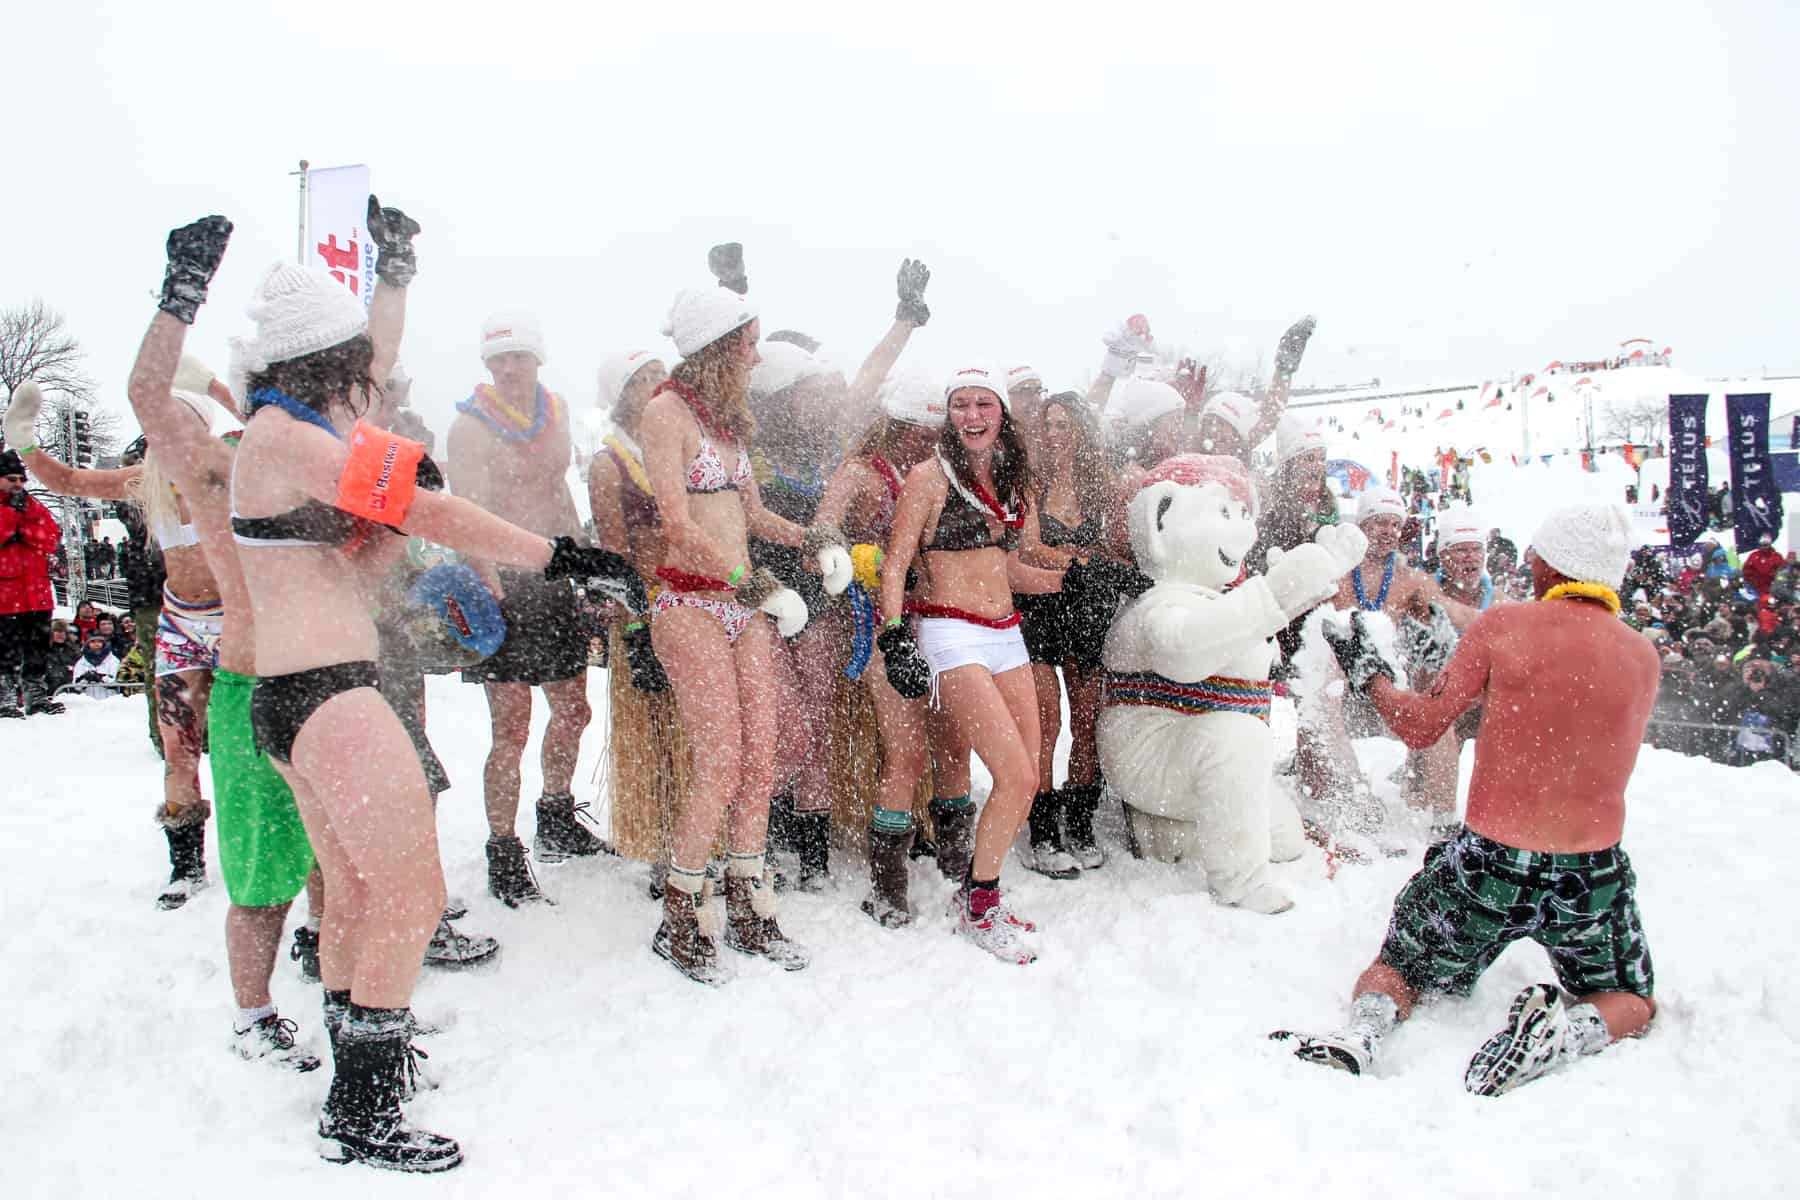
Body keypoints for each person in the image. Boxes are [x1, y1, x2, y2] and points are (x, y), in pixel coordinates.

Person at [158, 213, 638, 1170]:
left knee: (362, 893)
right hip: (326, 691)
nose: (371, 376)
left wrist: (396, 273)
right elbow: (420, 507)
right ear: (327, 363)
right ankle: (365, 1111)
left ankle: (359, 1072)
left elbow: (384, 369)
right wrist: (563, 555)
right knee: (411, 896)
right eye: (356, 364)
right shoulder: (286, 439)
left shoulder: (300, 427)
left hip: (298, 693)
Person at [1279, 501, 1658, 1097]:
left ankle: (1365, 1034)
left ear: (1553, 567)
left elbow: (1421, 727)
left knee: (1400, 967)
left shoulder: (1505, 626)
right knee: (1630, 998)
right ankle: (1572, 1032)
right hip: (1591, 872)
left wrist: (1367, 670)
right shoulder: (1642, 656)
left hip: (1493, 861)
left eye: (1535, 554)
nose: (1526, 561)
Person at [640, 285, 823, 983]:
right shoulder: (667, 414)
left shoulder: (730, 424)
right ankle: (682, 912)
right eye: (748, 343)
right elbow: (678, 526)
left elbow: (753, 515)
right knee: (720, 759)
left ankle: (749, 903)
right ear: (717, 346)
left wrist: (815, 541)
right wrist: (753, 583)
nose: (755, 356)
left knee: (761, 755)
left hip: (741, 606)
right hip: (689, 604)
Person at [877, 363, 1067, 963]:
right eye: (961, 404)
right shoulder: (928, 477)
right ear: (947, 413)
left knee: (1030, 777)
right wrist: (891, 637)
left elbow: (1012, 565)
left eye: (983, 404)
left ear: (1001, 413)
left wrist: (1072, 576)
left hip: (1006, 632)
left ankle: (979, 891)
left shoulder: (1016, 480)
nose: (972, 416)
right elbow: (894, 562)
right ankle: (979, 903)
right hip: (949, 632)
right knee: (1011, 774)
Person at [446, 310, 602, 906]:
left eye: (520, 357)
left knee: (574, 711)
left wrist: (582, 562)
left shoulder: (556, 411)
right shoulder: (470, 427)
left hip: (553, 578)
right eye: (500, 359)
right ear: (488, 365)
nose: (511, 368)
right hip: (501, 584)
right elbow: (467, 514)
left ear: (538, 360)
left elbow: (559, 490)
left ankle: (556, 816)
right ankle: (503, 848)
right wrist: (489, 590)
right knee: (509, 727)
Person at [812, 368, 947, 925]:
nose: (923, 438)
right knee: (908, 751)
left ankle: (932, 839)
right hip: (880, 624)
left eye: (930, 431)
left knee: (938, 749)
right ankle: (887, 881)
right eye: (915, 428)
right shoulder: (860, 472)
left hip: (938, 620)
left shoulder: (940, 473)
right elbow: (819, 538)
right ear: (894, 423)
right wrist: (865, 562)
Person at [1016, 391, 1119, 876]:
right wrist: (1078, 562)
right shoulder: (1031, 483)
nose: (1055, 435)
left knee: (1086, 721)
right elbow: (1031, 546)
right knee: (1045, 720)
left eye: (1064, 425)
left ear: (1082, 429)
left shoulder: (1104, 486)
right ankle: (1042, 830)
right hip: (1039, 608)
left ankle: (1079, 822)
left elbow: (1117, 550)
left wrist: (1101, 569)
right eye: (1049, 425)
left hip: (1088, 611)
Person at [1400, 511, 1500, 835]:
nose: (1470, 557)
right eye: (1460, 550)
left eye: (1476, 550)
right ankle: (1443, 821)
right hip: (1438, 697)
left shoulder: (1500, 601)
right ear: (1443, 556)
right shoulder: (1425, 596)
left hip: (1489, 699)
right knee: (1436, 712)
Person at [0, 446, 63, 718]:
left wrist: (20, 531)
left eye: (21, 479)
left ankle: (36, 696)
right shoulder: (21, 508)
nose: (18, 484)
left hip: (36, 592)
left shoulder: (33, 506)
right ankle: (5, 698)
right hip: (6, 593)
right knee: (6, 651)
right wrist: (16, 521)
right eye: (11, 479)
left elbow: (51, 538)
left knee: (37, 649)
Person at [67, 628, 121, 697]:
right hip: (89, 702)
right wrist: (85, 679)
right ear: (87, 644)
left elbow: (115, 682)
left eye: (99, 642)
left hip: (109, 701)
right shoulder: (81, 663)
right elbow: (76, 687)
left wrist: (100, 678)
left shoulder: (113, 660)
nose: (96, 644)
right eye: (92, 642)